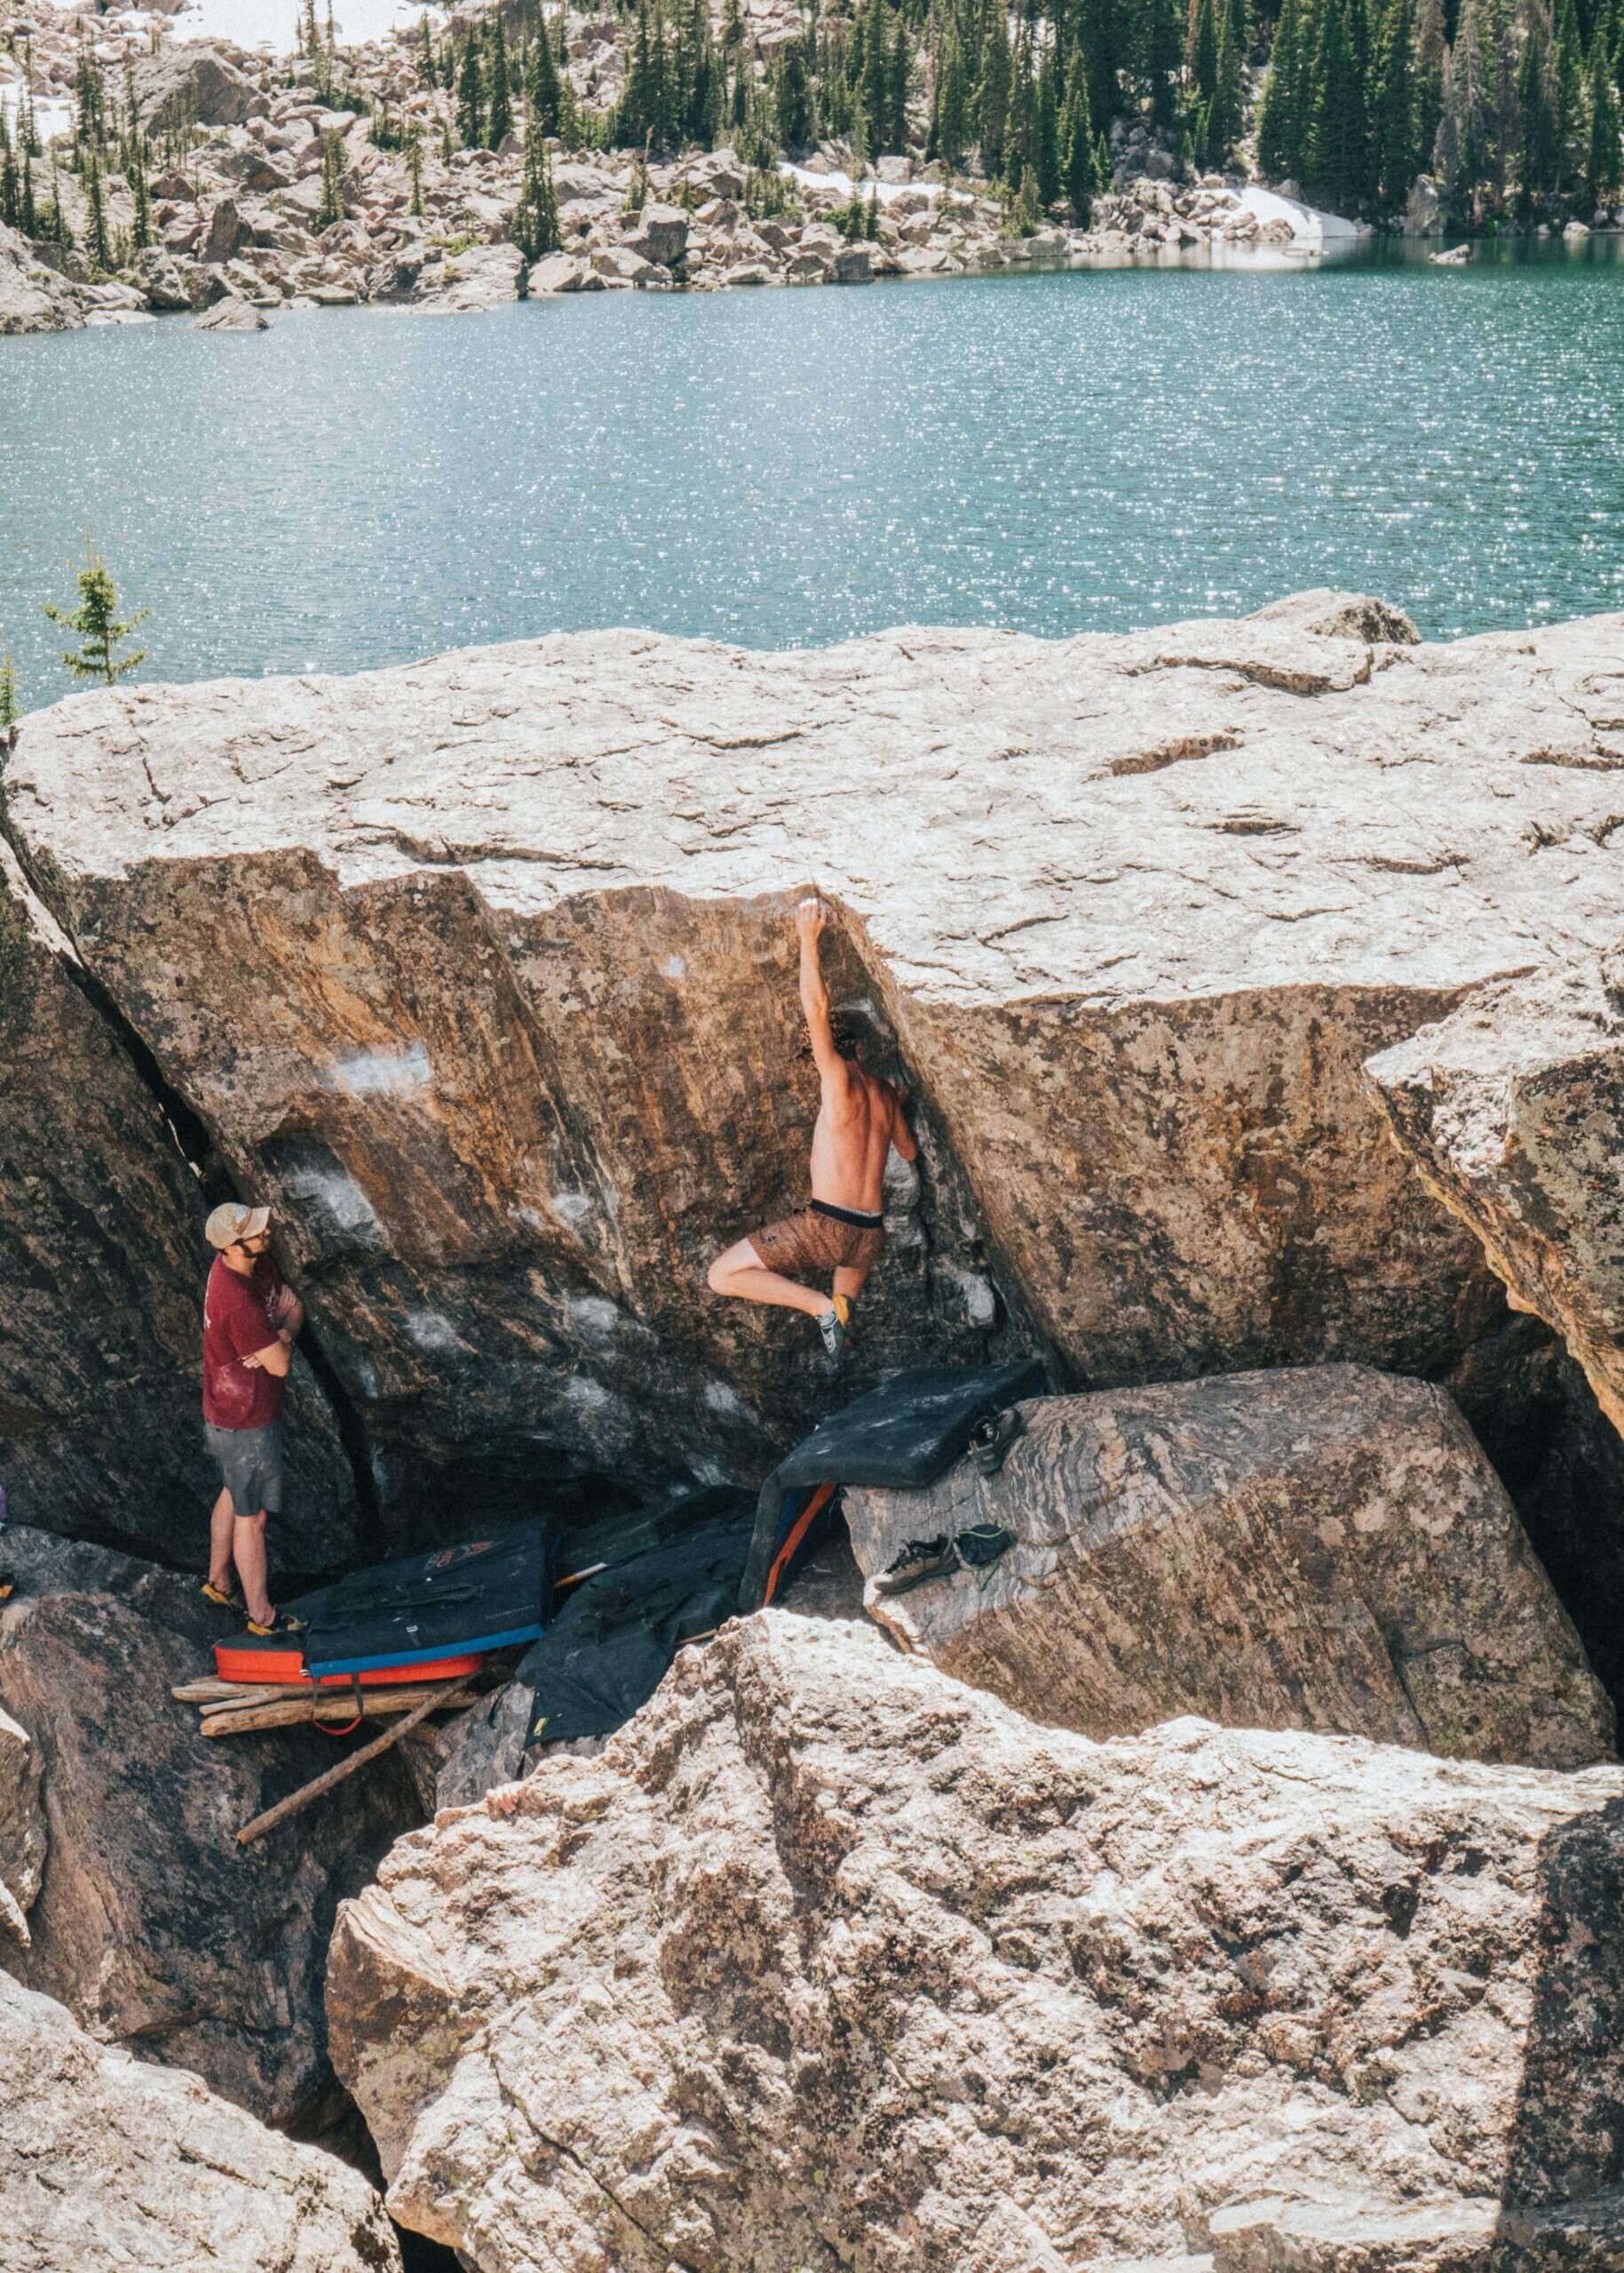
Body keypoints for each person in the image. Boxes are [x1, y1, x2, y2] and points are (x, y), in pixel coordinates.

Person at [708, 895, 916, 1358]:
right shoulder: (884, 1093)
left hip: (829, 1227)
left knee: (720, 1276)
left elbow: (816, 1009)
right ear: (859, 1045)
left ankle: (820, 1307)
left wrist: (808, 939)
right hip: (870, 1236)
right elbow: (909, 1152)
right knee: (846, 1310)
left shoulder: (837, 1079)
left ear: (825, 1054)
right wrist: (899, 1104)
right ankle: (837, 1313)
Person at [200, 1200, 305, 1635]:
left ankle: (219, 1581)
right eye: (257, 1232)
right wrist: (280, 1338)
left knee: (233, 1489)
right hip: (244, 1420)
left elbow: (294, 1307)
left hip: (232, 1410)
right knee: (253, 1517)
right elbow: (280, 1365)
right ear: (233, 1246)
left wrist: (282, 1334)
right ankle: (261, 1616)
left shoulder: (249, 1266)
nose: (267, 1233)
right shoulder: (237, 1301)